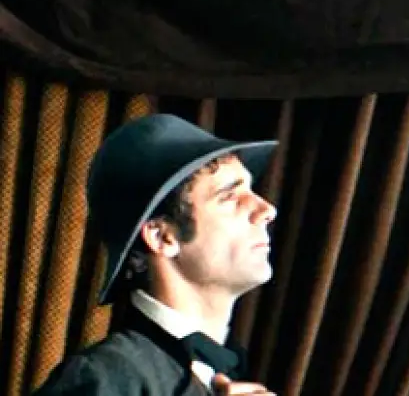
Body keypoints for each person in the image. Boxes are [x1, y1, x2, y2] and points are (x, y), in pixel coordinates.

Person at [35, 113, 280, 396]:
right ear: (162, 237)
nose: (267, 210)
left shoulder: (226, 368)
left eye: (251, 189)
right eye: (229, 196)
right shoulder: (100, 377)